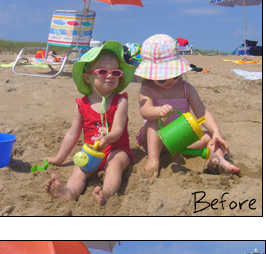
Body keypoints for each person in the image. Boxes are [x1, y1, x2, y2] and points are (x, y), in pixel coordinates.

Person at [135, 34, 240, 178]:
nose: (170, 80)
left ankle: (217, 159)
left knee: (212, 137)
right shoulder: (148, 90)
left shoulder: (186, 88)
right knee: (156, 119)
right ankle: (153, 160)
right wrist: (158, 111)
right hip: (157, 143)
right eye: (162, 78)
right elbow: (144, 111)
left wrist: (216, 131)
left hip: (184, 139)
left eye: (175, 75)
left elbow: (202, 112)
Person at [45, 42, 134, 205]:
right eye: (102, 71)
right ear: (87, 77)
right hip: (92, 152)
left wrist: (107, 138)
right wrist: (59, 158)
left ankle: (106, 193)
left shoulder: (120, 101)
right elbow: (73, 133)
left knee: (114, 165)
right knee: (79, 169)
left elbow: (118, 130)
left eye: (115, 72)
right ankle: (70, 192)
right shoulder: (82, 104)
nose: (110, 76)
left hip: (116, 149)